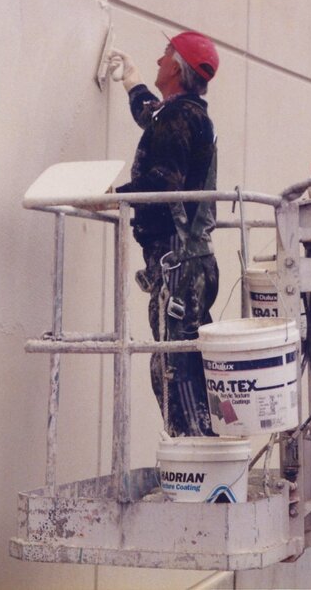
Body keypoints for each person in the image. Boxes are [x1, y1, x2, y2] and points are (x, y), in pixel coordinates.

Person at [108, 31, 220, 437]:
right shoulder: (185, 114)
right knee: (183, 359)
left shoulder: (180, 118)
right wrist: (131, 80)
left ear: (176, 68)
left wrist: (109, 197)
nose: (158, 59)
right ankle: (200, 451)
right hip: (191, 262)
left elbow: (163, 180)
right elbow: (150, 117)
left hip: (178, 265)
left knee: (175, 367)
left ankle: (196, 454)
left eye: (164, 54)